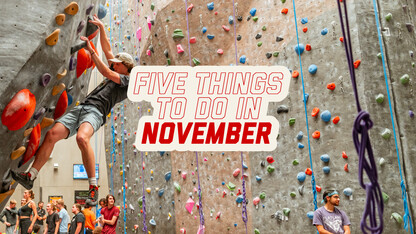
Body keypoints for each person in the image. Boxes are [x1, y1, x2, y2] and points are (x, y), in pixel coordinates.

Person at [11, 13, 135, 207]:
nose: (113, 62)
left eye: (117, 63)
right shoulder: (118, 69)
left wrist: (90, 50)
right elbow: (108, 49)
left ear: (125, 67)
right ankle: (30, 176)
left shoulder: (128, 80)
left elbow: (106, 71)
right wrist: (101, 28)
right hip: (82, 107)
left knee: (81, 138)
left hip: (95, 112)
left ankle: (93, 188)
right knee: (51, 134)